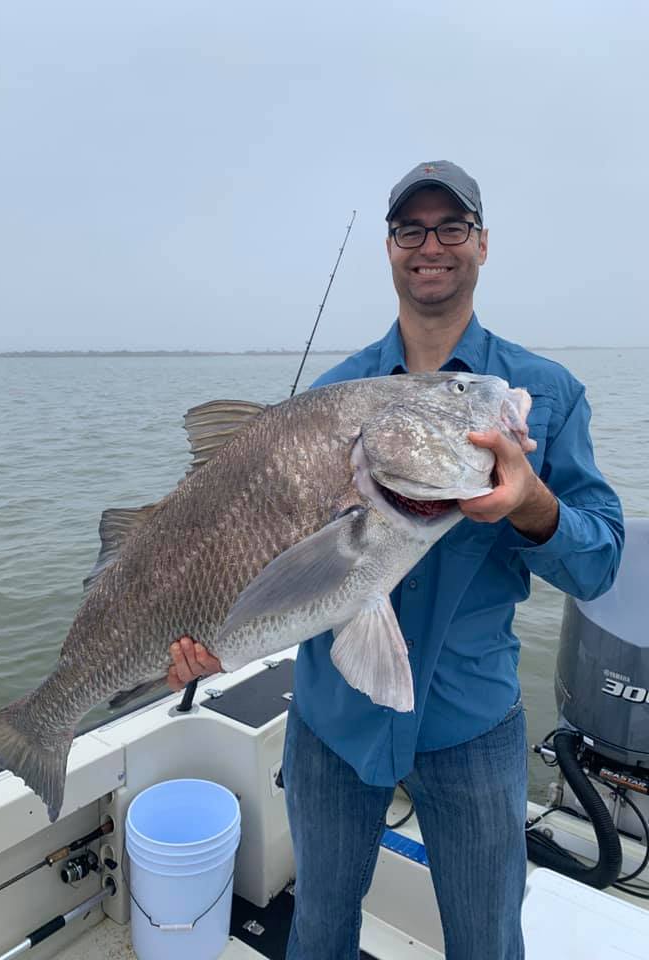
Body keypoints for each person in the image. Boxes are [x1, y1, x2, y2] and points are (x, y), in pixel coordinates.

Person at [167, 161, 624, 959]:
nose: (431, 245)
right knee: (319, 931)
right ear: (389, 249)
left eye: (452, 227)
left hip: (473, 722)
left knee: (487, 941)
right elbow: (256, 552)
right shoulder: (335, 396)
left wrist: (532, 505)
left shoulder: (538, 393)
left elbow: (598, 566)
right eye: (411, 229)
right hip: (334, 720)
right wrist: (207, 636)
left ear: (483, 244)